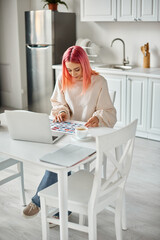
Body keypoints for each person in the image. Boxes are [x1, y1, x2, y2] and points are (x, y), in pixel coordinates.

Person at [23, 45, 117, 220]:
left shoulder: (99, 82)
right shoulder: (63, 79)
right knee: (57, 160)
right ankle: (62, 211)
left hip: (87, 137)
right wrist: (61, 112)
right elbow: (58, 103)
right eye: (69, 70)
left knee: (58, 162)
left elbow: (108, 111)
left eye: (77, 69)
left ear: (85, 65)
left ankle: (38, 202)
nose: (73, 74)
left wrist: (97, 118)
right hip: (66, 134)